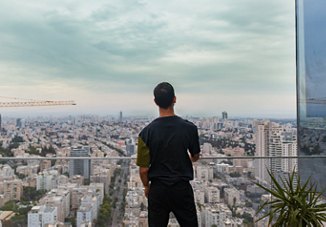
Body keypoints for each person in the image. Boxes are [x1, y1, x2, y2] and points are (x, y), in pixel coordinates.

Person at [136, 82, 201, 227]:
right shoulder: (189, 128)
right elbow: (195, 155)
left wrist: (147, 186)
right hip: (181, 188)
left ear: (155, 102)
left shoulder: (146, 133)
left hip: (158, 190)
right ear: (174, 99)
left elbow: (143, 169)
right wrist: (186, 159)